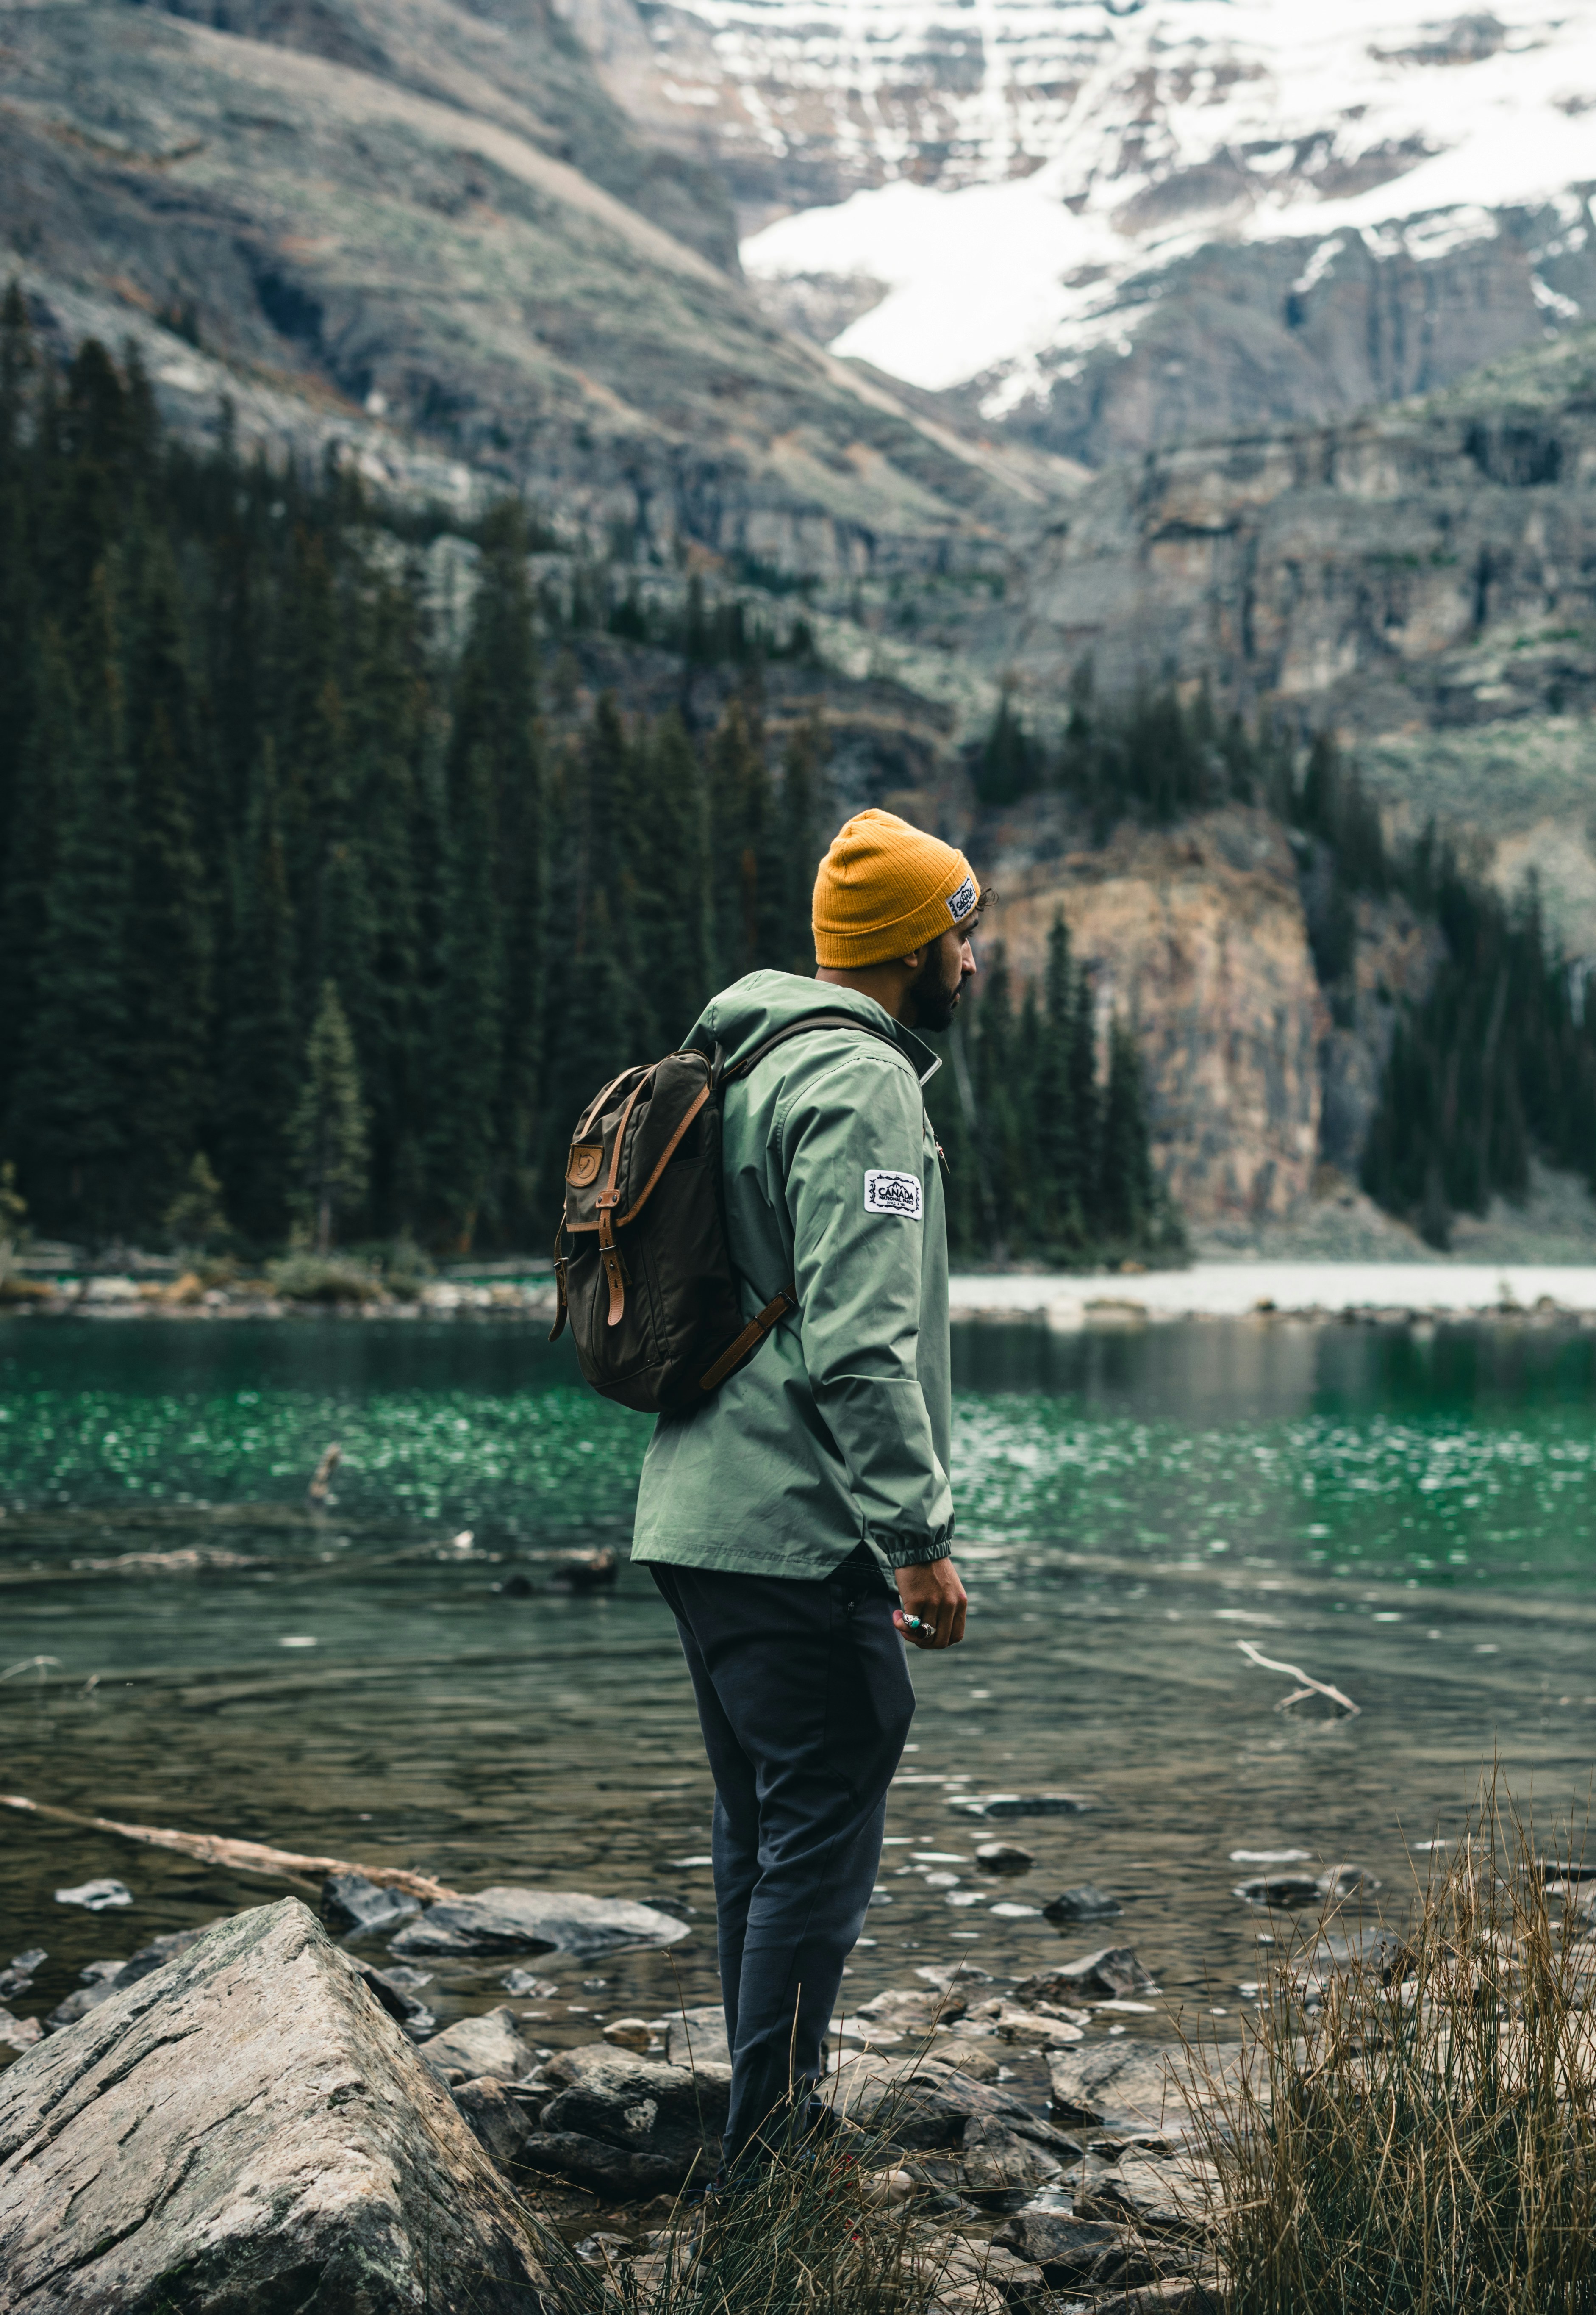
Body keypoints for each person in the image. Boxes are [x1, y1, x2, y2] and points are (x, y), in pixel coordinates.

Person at [631, 805, 981, 2185]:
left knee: (762, 1826)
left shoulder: (754, 1054)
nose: (976, 953)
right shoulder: (863, 1088)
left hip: (701, 1510)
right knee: (823, 1811)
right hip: (796, 1523)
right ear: (915, 945)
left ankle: (763, 2117)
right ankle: (765, 2158)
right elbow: (859, 1346)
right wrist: (920, 1544)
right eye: (964, 927)